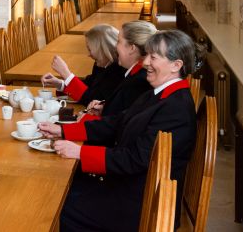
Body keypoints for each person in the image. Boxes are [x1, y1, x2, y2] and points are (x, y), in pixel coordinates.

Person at [39, 29, 198, 232]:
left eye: (153, 57)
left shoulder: (175, 109)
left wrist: (79, 152)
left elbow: (136, 159)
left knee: (55, 207)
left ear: (176, 65)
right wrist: (63, 131)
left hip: (143, 203)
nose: (145, 62)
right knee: (62, 188)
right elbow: (116, 123)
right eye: (147, 54)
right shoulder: (158, 93)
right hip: (130, 186)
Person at [77, 20, 156, 120]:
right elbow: (121, 110)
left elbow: (124, 124)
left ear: (132, 48)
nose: (115, 46)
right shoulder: (133, 73)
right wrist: (104, 107)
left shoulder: (139, 81)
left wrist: (88, 121)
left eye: (119, 41)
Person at [41, 24, 125, 105]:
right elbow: (88, 85)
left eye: (90, 49)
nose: (89, 55)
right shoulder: (101, 64)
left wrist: (67, 74)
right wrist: (60, 84)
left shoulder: (118, 71)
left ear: (103, 49)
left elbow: (92, 100)